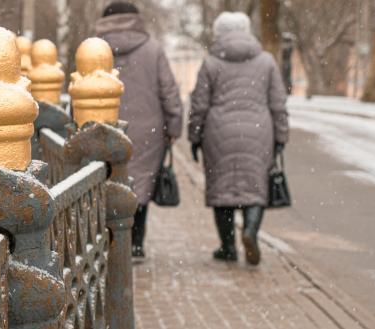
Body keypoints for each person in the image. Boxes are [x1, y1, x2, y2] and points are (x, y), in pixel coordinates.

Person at [188, 12, 289, 265]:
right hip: (259, 130)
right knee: (256, 186)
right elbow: (278, 103)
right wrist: (281, 135)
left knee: (222, 189)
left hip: (218, 131)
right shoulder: (266, 61)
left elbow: (199, 104)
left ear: (219, 33)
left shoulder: (211, 62)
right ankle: (251, 231)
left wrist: (195, 136)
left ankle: (228, 247)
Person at [96, 1, 184, 257]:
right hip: (148, 129)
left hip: (105, 125)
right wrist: (174, 126)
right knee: (141, 182)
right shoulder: (153, 49)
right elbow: (169, 91)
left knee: (107, 179)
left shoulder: (94, 49)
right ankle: (135, 243)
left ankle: (109, 239)